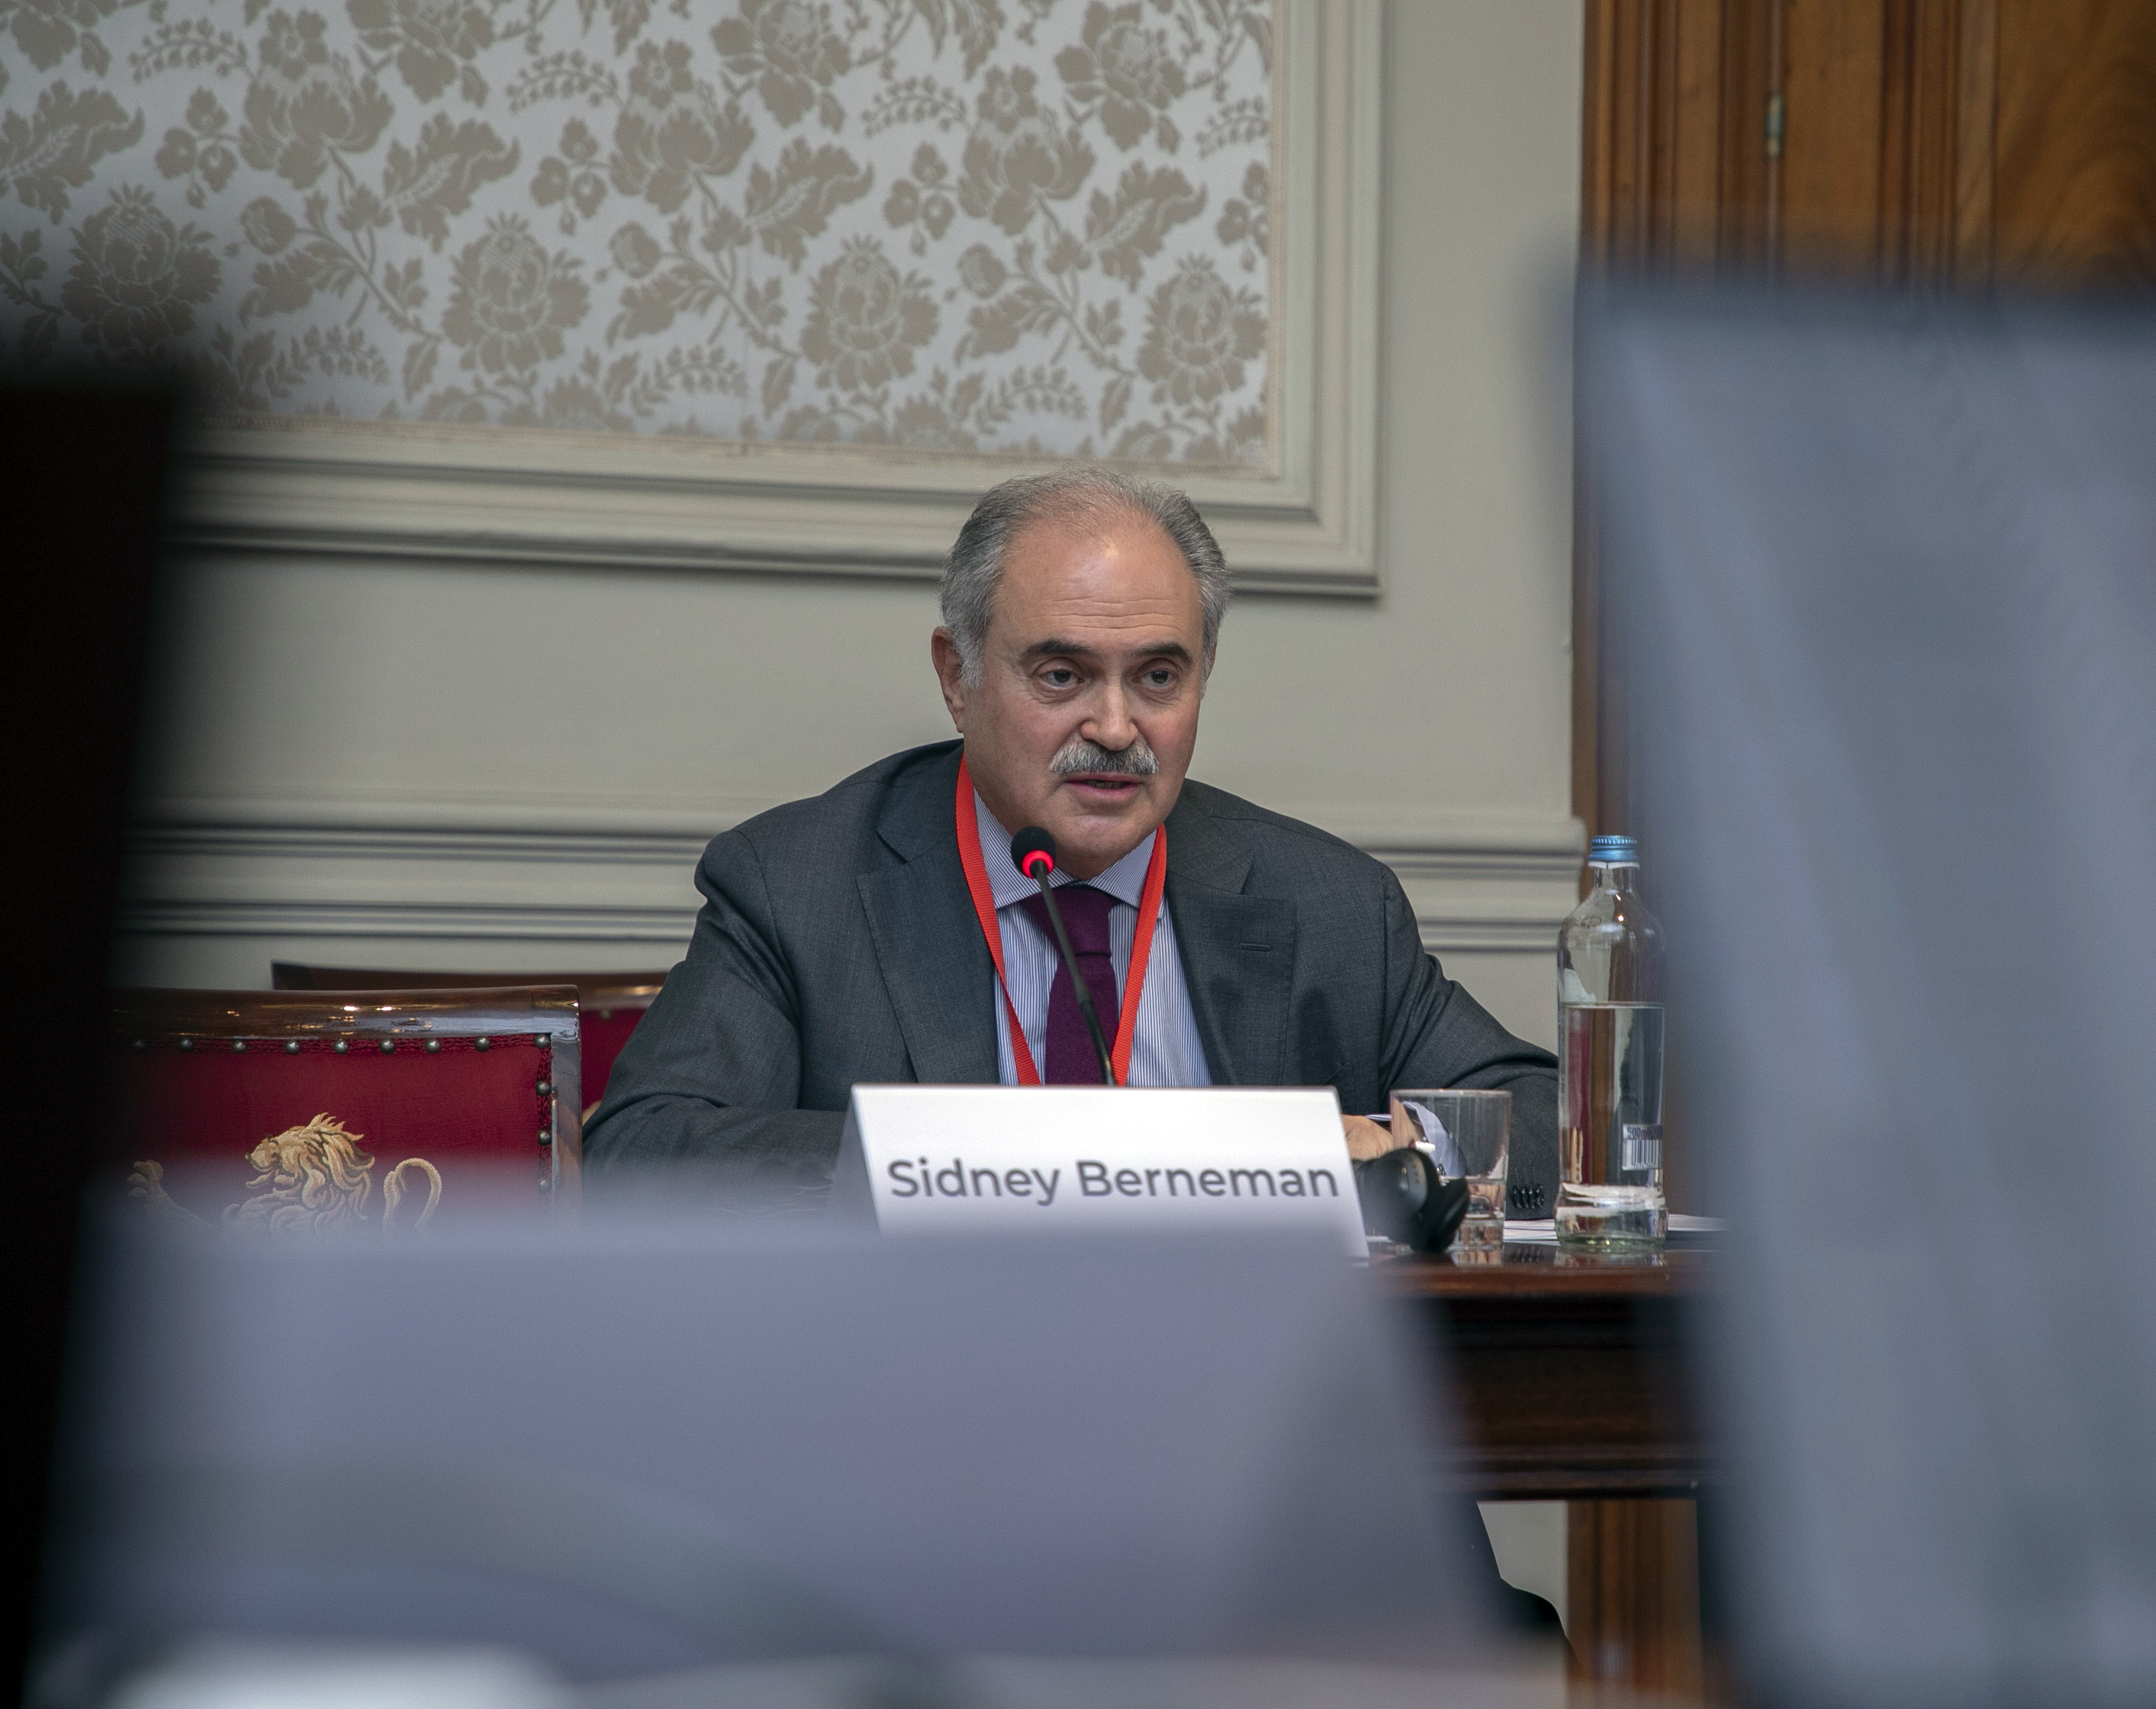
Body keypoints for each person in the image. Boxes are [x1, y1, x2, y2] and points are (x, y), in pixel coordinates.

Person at [586, 467, 1558, 1215]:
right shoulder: (801, 886)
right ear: (956, 675)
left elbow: (1545, 1121)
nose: (1115, 726)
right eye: (1061, 675)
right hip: (922, 1412)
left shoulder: (1327, 903)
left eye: (1158, 678)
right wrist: (967, 1166)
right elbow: (646, 1154)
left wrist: (1398, 1151)